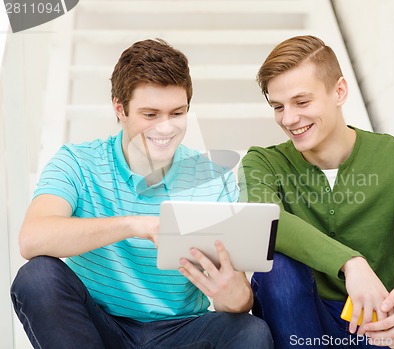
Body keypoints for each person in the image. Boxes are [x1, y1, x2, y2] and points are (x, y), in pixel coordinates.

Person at [10, 38, 273, 349]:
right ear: (120, 108)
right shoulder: (77, 163)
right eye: (150, 115)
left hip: (181, 331)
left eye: (177, 113)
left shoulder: (214, 180)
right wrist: (136, 225)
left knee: (251, 331)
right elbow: (32, 239)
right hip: (100, 328)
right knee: (37, 277)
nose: (166, 129)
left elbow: (239, 298)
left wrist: (234, 296)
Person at [238, 35, 394, 349]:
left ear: (339, 91)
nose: (289, 118)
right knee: (277, 270)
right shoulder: (263, 163)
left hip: (380, 324)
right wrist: (351, 263)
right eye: (278, 107)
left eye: (302, 102)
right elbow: (266, 220)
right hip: (305, 326)